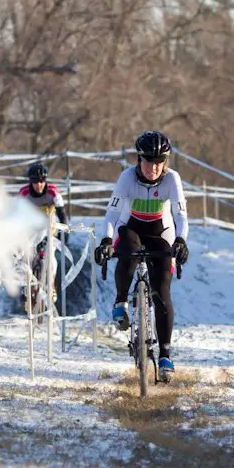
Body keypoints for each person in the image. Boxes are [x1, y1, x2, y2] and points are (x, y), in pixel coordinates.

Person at [94, 131, 189, 382]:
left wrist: (181, 240)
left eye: (160, 161)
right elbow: (112, 215)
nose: (154, 167)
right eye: (149, 161)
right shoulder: (127, 177)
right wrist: (105, 240)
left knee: (162, 291)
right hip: (132, 228)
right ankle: (121, 302)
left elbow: (180, 216)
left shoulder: (172, 179)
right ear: (139, 159)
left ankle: (165, 354)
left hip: (161, 232)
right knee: (127, 248)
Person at [18, 162, 69, 307]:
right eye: (35, 181)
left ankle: (51, 287)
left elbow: (62, 215)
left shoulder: (53, 192)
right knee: (24, 257)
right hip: (31, 231)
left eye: (41, 181)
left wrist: (65, 232)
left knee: (51, 259)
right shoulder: (23, 194)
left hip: (48, 230)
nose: (39, 185)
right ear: (30, 182)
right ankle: (24, 286)